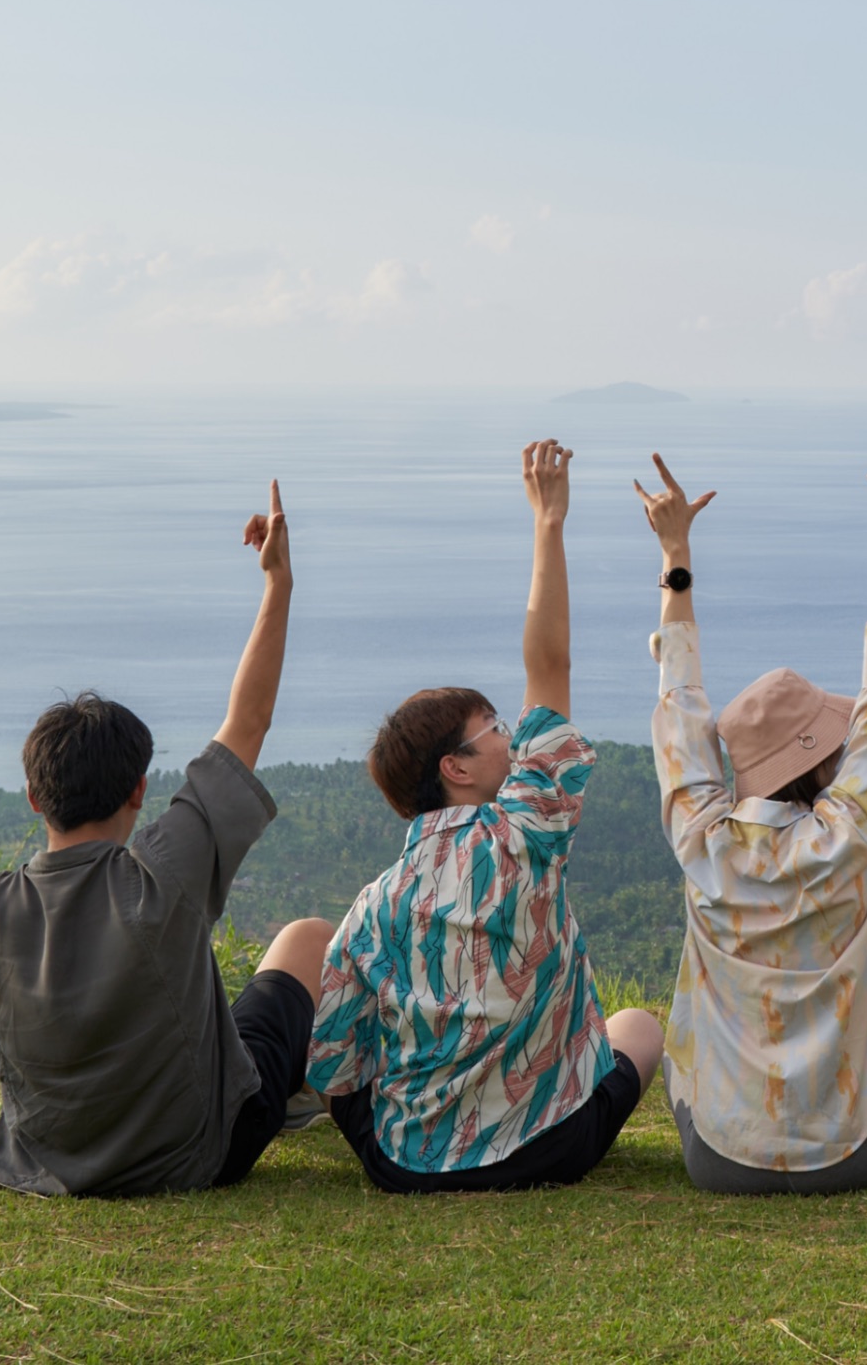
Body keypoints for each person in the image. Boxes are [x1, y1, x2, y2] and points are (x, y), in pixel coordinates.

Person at [640, 435, 867, 1194]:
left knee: (664, 1044)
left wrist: (676, 554)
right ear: (820, 764)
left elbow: (678, 703)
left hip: (718, 1159)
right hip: (853, 1153)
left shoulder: (700, 841)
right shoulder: (847, 838)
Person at [0, 483, 334, 1199]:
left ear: (35, 797)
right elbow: (246, 724)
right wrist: (279, 583)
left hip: (42, 1162)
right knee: (307, 940)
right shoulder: (162, 875)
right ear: (139, 791)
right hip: (195, 1154)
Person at [306, 440, 665, 1193]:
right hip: (547, 1147)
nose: (512, 732)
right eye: (495, 727)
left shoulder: (376, 905)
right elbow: (551, 669)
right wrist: (549, 524)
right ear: (456, 769)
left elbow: (336, 1063)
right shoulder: (528, 833)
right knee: (638, 1029)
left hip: (404, 1165)